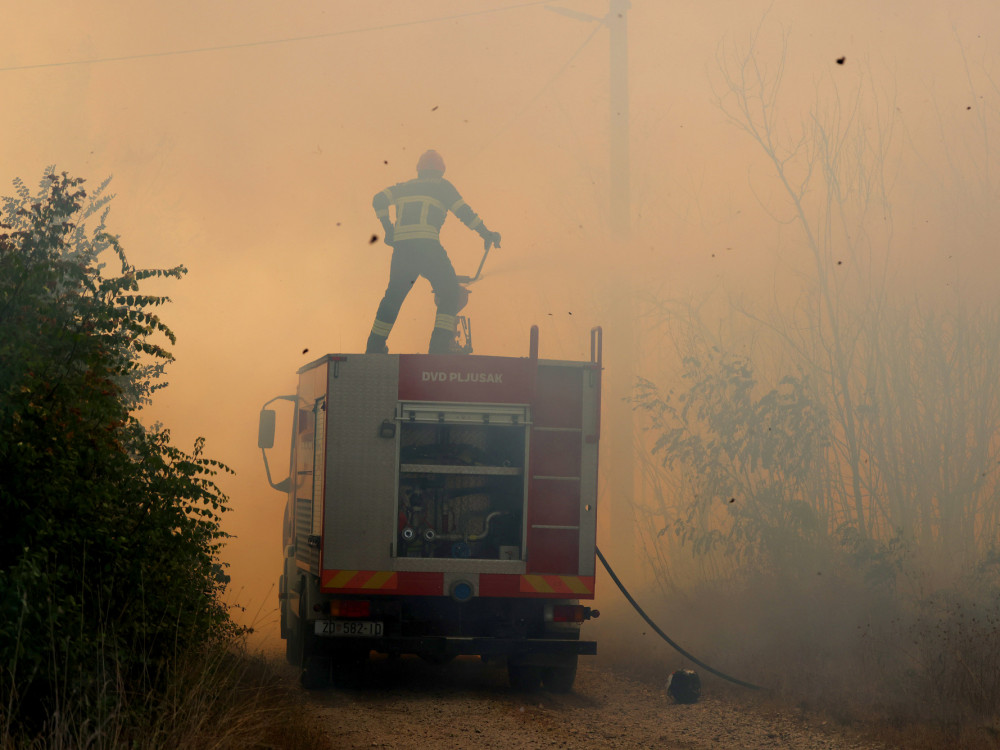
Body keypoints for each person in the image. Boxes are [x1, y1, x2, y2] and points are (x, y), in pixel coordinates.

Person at [366, 149, 501, 354]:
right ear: (441, 170)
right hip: (427, 247)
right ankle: (438, 348)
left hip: (402, 250)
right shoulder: (442, 186)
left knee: (393, 299)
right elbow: (465, 213)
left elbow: (378, 199)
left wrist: (388, 229)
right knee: (450, 293)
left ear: (419, 169)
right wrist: (486, 233)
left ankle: (374, 347)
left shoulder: (404, 187)